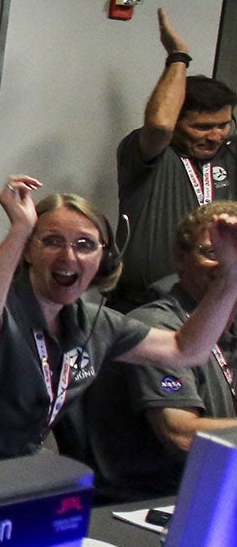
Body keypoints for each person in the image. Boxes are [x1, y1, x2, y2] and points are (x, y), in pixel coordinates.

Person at [0, 181, 237, 475]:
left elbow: (187, 349)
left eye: (85, 245)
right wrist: (20, 228)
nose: (69, 257)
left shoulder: (97, 322)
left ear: (104, 258)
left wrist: (231, 273)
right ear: (28, 252)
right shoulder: (1, 299)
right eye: (51, 241)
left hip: (4, 468)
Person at [73, 202, 237, 501]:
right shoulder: (157, 326)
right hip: (147, 506)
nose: (227, 264)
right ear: (180, 259)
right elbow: (182, 436)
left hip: (214, 494)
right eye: (213, 253)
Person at [114, 9, 236, 310]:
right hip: (144, 305)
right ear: (178, 122)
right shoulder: (149, 153)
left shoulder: (230, 155)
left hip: (215, 303)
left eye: (223, 124)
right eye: (202, 126)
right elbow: (159, 125)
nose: (216, 135)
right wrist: (178, 56)